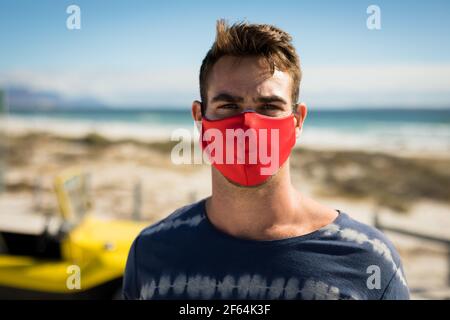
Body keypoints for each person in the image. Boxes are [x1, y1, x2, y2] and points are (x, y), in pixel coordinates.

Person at [123, 19, 410, 300]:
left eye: (269, 106)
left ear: (297, 121)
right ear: (200, 118)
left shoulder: (368, 264)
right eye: (228, 106)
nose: (248, 125)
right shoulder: (150, 252)